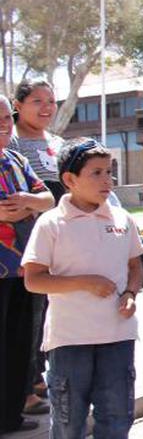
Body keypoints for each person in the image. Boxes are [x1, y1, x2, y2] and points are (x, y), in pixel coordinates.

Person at [21, 138, 143, 439]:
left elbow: (136, 266)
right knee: (69, 416)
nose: (107, 180)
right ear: (70, 180)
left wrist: (130, 294)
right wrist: (84, 282)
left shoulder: (121, 219)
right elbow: (34, 279)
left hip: (117, 337)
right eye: (97, 173)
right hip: (69, 339)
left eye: (110, 172)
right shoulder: (51, 224)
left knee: (116, 416)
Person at [0, 94, 55, 439]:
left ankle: (10, 415)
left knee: (20, 343)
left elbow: (48, 197)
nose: (4, 125)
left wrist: (27, 202)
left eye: (7, 118)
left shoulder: (16, 159)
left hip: (21, 268)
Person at [10, 79, 63, 418]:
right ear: (18, 105)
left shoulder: (57, 142)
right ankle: (25, 381)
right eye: (37, 101)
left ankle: (39, 373)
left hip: (59, 234)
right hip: (23, 237)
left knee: (46, 309)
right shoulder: (11, 142)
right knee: (26, 312)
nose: (46, 108)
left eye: (51, 101)